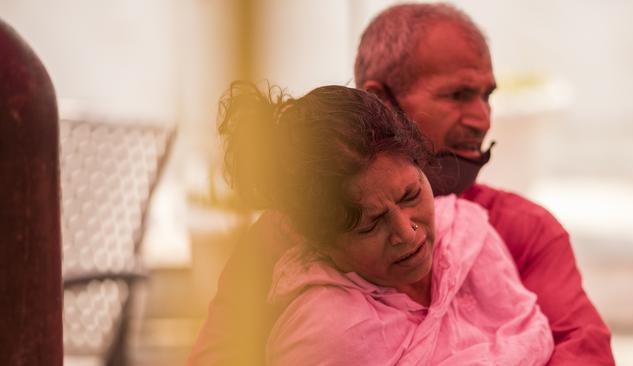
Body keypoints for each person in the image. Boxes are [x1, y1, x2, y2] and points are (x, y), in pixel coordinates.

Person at [188, 3, 614, 365]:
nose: (482, 119)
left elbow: (584, 351)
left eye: (486, 96)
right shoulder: (281, 246)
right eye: (457, 95)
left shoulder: (520, 229)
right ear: (383, 100)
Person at [220, 82, 553, 365]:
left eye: (411, 195)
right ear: (321, 242)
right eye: (371, 224)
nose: (407, 233)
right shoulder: (327, 336)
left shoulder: (469, 239)